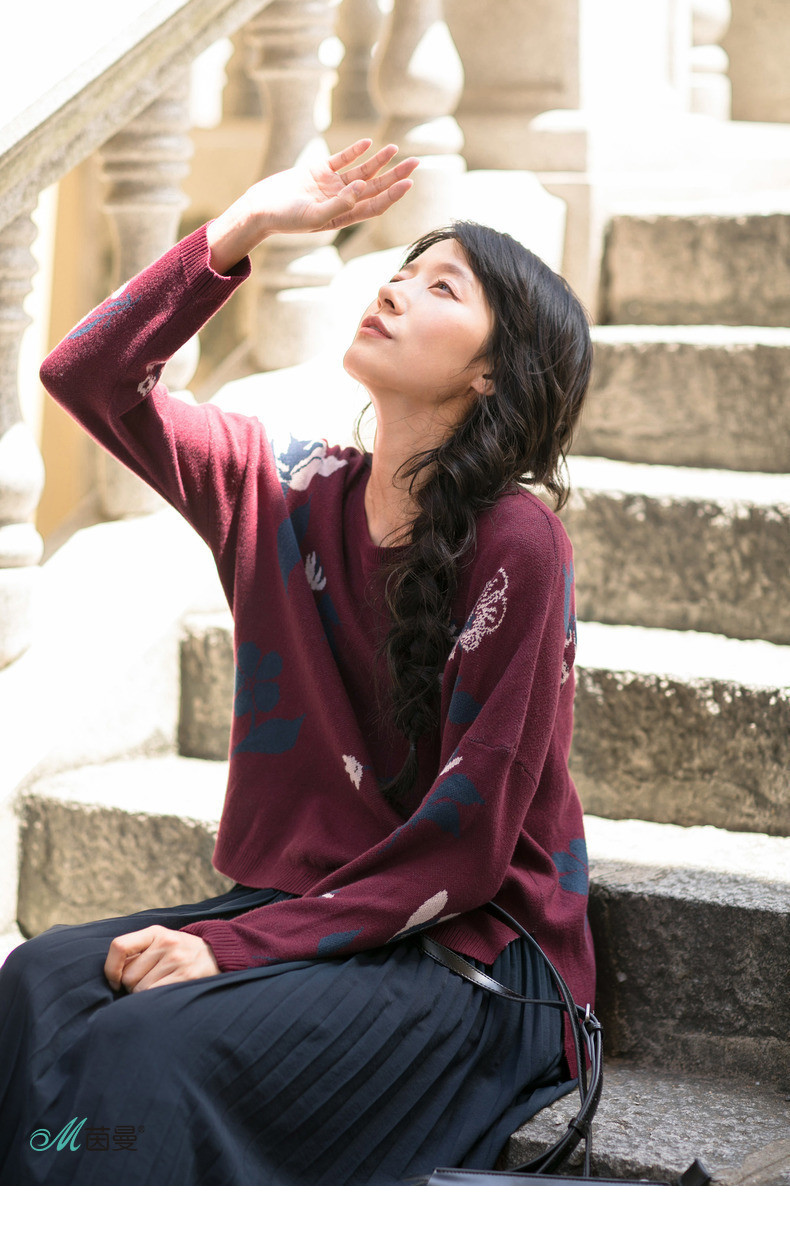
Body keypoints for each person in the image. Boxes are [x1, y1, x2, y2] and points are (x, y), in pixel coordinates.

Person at [0, 140, 596, 1186]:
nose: (394, 287)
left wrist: (229, 949)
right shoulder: (284, 488)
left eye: (442, 285)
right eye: (401, 268)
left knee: (145, 1048)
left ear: (491, 371)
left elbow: (466, 844)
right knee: (37, 981)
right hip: (311, 909)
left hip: (473, 956)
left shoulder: (519, 542)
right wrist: (245, 227)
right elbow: (84, 374)